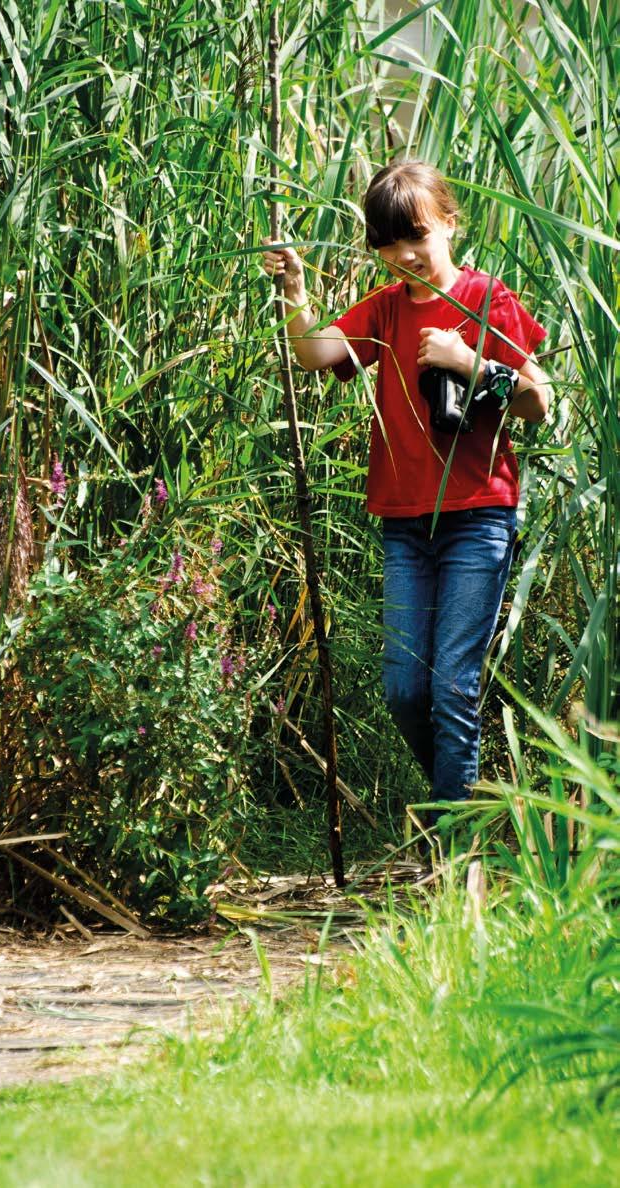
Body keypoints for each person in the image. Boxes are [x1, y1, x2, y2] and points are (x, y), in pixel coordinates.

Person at [262, 159, 550, 848]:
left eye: (414, 236)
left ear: (448, 221)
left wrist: (467, 363)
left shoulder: (488, 299)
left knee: (451, 686)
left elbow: (538, 403)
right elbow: (314, 353)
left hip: (478, 515)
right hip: (402, 522)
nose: (403, 256)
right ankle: (468, 807)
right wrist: (295, 291)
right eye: (387, 245)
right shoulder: (385, 306)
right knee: (403, 689)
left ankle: (455, 855)